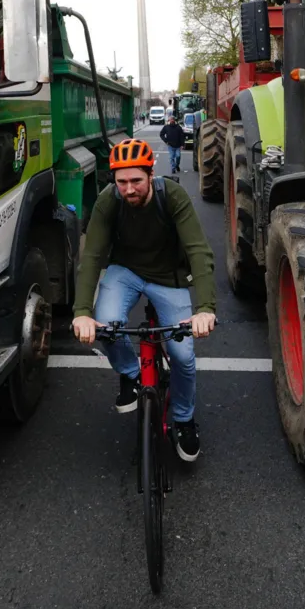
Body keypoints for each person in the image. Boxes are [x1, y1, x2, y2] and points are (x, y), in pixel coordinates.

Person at [72, 139, 217, 461]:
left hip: (168, 277)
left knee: (181, 353)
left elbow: (198, 251)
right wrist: (81, 312)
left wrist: (205, 309)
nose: (128, 189)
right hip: (125, 271)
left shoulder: (173, 197)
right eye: (121, 182)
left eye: (136, 180)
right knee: (105, 327)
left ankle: (183, 420)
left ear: (151, 176)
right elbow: (92, 256)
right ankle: (132, 373)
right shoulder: (108, 201)